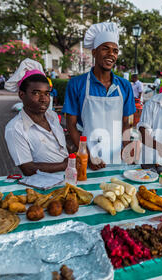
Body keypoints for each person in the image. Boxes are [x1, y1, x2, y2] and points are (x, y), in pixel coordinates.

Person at [63, 22, 136, 170]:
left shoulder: (125, 86)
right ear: (94, 52)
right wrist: (88, 155)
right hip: (88, 157)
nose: (111, 54)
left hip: (117, 157)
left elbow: (127, 122)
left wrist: (127, 148)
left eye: (115, 51)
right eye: (106, 49)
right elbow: (71, 125)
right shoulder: (77, 84)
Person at [4, 59, 69, 176]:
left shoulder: (52, 116)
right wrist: (65, 165)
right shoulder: (15, 128)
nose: (43, 99)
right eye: (36, 93)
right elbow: (28, 169)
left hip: (67, 178)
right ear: (21, 94)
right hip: (43, 187)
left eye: (47, 93)